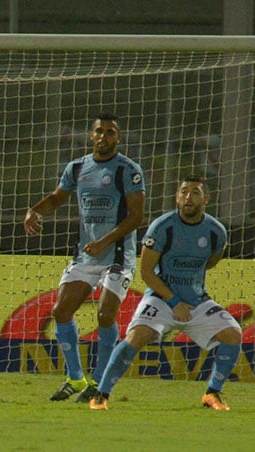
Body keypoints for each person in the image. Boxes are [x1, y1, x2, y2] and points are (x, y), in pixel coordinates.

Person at [90, 175, 241, 410]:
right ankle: (101, 394)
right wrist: (175, 301)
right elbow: (147, 272)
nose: (188, 197)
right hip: (161, 299)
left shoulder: (216, 231)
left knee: (233, 334)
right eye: (183, 192)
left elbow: (210, 262)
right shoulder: (162, 227)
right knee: (137, 336)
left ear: (206, 199)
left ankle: (212, 393)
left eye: (195, 192)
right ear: (177, 197)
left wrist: (188, 297)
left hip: (197, 301)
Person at [23, 112, 145, 403]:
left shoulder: (128, 170)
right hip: (86, 256)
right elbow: (56, 198)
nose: (104, 136)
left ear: (118, 138)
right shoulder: (78, 167)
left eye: (110, 132)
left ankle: (100, 383)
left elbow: (136, 216)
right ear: (91, 135)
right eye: (99, 131)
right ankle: (75, 378)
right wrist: (34, 211)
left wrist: (104, 240)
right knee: (61, 311)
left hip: (117, 255)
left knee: (105, 315)